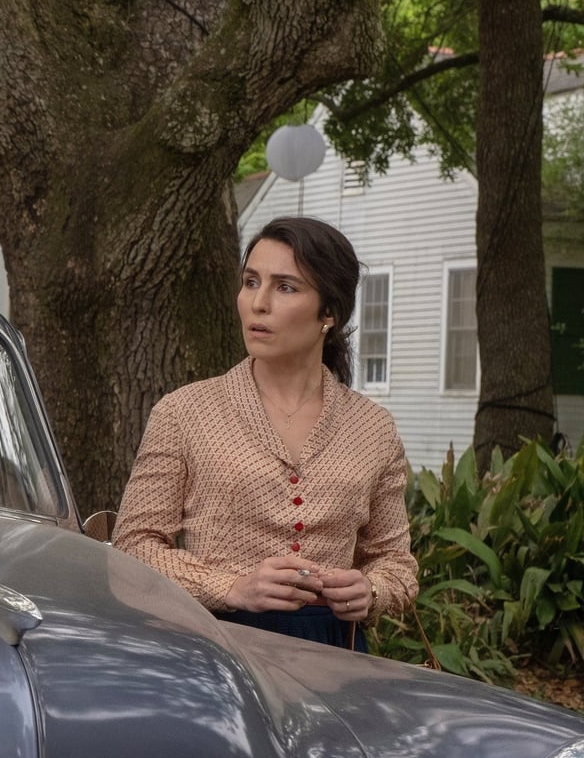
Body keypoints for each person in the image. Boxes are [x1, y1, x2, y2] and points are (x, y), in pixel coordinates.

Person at [114, 215, 418, 649]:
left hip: (334, 653)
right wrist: (231, 587)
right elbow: (132, 548)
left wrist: (372, 592)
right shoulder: (184, 412)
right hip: (214, 642)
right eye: (251, 282)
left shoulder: (372, 429)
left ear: (329, 313)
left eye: (285, 287)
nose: (258, 303)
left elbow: (396, 565)